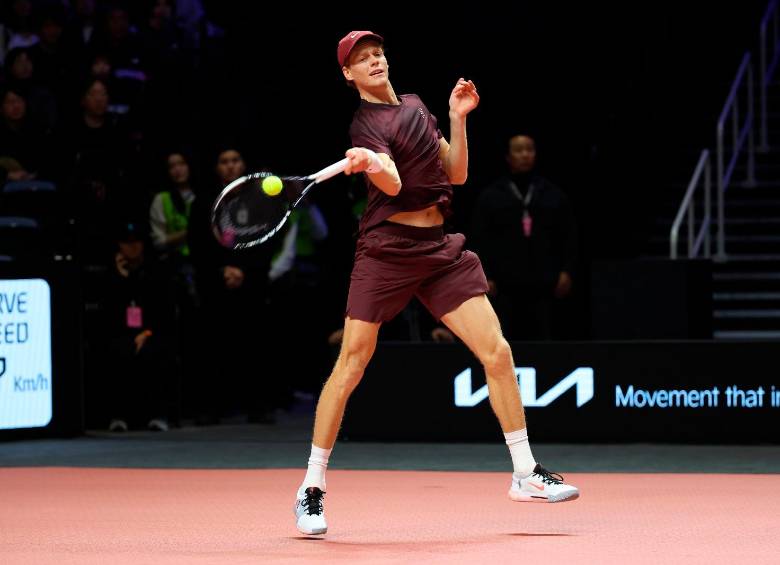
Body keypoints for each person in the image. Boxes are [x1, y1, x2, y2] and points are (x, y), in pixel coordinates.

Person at [293, 31, 579, 537]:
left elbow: (457, 172)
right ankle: (311, 488)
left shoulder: (417, 105)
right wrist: (372, 163)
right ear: (348, 74)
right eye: (362, 59)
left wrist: (457, 118)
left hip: (439, 249)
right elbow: (395, 185)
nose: (374, 60)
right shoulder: (365, 123)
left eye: (377, 53)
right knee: (353, 361)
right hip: (386, 251)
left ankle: (525, 472)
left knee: (497, 352)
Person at [470, 134, 578, 340]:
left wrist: (567, 271)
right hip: (504, 285)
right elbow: (479, 239)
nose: (525, 155)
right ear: (508, 157)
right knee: (505, 340)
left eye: (529, 150)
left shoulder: (552, 194)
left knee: (545, 337)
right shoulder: (491, 196)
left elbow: (568, 236)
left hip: (545, 282)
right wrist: (485, 275)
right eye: (519, 150)